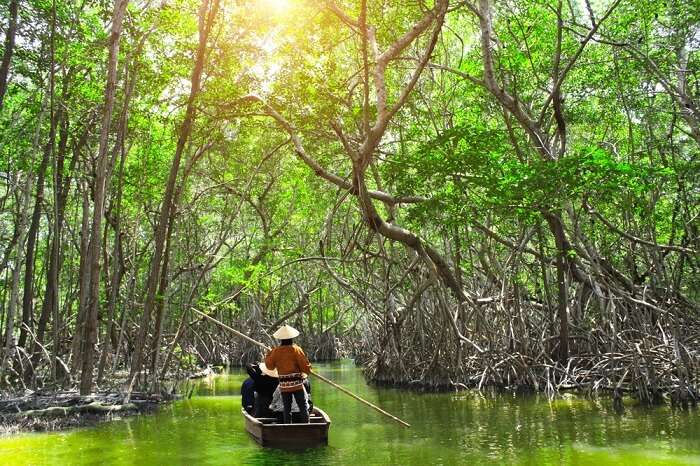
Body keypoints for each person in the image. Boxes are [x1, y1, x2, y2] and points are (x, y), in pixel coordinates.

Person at [264, 324, 311, 423]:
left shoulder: (276, 352)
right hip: (297, 385)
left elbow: (270, 366)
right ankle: (307, 425)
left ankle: (287, 426)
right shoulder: (296, 350)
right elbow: (305, 367)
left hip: (284, 386)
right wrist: (308, 370)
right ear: (291, 338)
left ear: (281, 339)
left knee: (287, 408)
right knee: (303, 407)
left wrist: (269, 354)